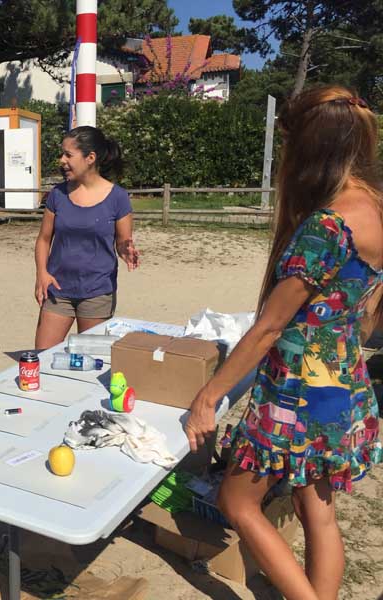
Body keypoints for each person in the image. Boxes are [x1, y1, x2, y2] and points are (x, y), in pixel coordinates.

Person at [185, 86, 383, 600]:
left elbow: (271, 327)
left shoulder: (327, 225)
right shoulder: (376, 208)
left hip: (296, 394)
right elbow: (366, 312)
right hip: (343, 382)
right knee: (316, 509)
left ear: (309, 148)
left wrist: (207, 397)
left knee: (237, 503)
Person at [33, 126, 140, 350]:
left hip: (97, 292)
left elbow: (122, 242)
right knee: (41, 359)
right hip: (57, 289)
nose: (62, 160)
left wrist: (126, 250)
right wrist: (41, 273)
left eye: (68, 155)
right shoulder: (57, 194)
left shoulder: (118, 197)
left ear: (90, 158)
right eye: (62, 153)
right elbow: (44, 239)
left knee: (92, 361)